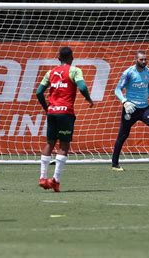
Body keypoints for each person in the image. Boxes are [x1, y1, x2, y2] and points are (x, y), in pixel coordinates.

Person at [36, 47, 94, 192]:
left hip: (52, 112)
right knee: (63, 146)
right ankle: (55, 180)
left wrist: (46, 108)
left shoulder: (50, 72)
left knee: (49, 143)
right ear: (72, 57)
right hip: (65, 112)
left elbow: (39, 92)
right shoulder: (75, 71)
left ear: (58, 58)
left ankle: (43, 178)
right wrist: (88, 98)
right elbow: (82, 86)